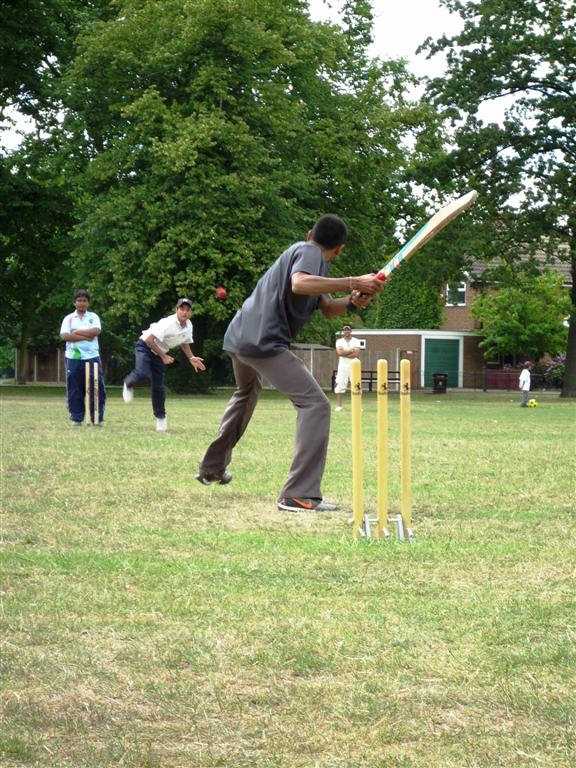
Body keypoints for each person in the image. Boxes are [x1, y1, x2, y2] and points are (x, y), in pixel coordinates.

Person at [196, 214, 384, 512]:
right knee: (316, 404)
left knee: (245, 394)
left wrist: (351, 300)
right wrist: (353, 281)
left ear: (311, 232)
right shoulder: (308, 253)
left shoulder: (311, 262)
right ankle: (298, 494)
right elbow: (299, 283)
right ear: (340, 249)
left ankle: (212, 467)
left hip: (241, 336)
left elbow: (326, 309)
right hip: (263, 341)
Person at [122, 298, 206, 431]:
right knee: (143, 373)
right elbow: (149, 340)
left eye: (187, 310)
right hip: (145, 347)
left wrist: (191, 358)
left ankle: (161, 417)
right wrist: (164, 356)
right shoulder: (168, 323)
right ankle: (128, 383)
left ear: (190, 312)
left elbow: (184, 343)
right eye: (182, 309)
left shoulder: (189, 325)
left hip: (160, 353)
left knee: (158, 387)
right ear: (176, 310)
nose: (184, 312)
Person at [60, 288, 106, 426]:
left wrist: (77, 332)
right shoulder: (68, 318)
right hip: (73, 358)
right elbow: (65, 336)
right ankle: (76, 418)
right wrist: (87, 335)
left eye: (84, 300)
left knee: (96, 388)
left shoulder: (93, 317)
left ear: (88, 303)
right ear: (74, 303)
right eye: (79, 300)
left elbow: (96, 332)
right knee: (75, 388)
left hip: (92, 356)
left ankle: (96, 418)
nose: (81, 303)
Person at [334, 325, 361, 411]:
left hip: (354, 364)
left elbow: (356, 354)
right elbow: (339, 353)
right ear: (343, 331)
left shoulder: (356, 341)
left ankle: (357, 406)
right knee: (341, 383)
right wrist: (351, 350)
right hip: (342, 365)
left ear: (351, 331)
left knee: (356, 384)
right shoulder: (339, 341)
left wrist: (345, 353)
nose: (347, 332)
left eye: (348, 330)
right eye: (345, 330)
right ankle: (339, 406)